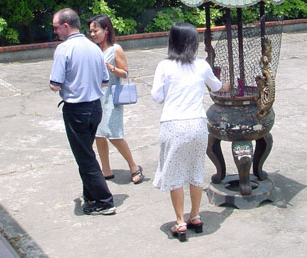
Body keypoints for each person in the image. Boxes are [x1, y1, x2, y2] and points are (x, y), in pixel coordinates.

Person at [151, 22, 230, 241]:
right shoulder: (202, 65)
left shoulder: (164, 66)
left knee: (175, 173)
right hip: (198, 125)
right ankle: (195, 216)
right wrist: (229, 85)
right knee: (196, 170)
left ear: (172, 42)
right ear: (193, 43)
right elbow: (217, 87)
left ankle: (179, 222)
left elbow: (157, 97)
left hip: (173, 125)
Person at [49, 8, 116, 215]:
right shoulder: (94, 47)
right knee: (86, 153)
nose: (55, 32)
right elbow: (105, 80)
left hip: (77, 109)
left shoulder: (64, 49)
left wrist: (73, 84)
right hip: (94, 107)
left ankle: (104, 201)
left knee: (85, 158)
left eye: (56, 27)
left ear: (66, 26)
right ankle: (91, 196)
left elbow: (55, 84)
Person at [87, 14, 144, 184]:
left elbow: (125, 72)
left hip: (112, 97)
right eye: (90, 31)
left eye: (95, 30)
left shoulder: (115, 49)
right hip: (95, 98)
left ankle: (134, 166)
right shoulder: (94, 50)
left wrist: (110, 68)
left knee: (114, 134)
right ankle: (106, 169)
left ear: (106, 30)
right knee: (98, 134)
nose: (92, 34)